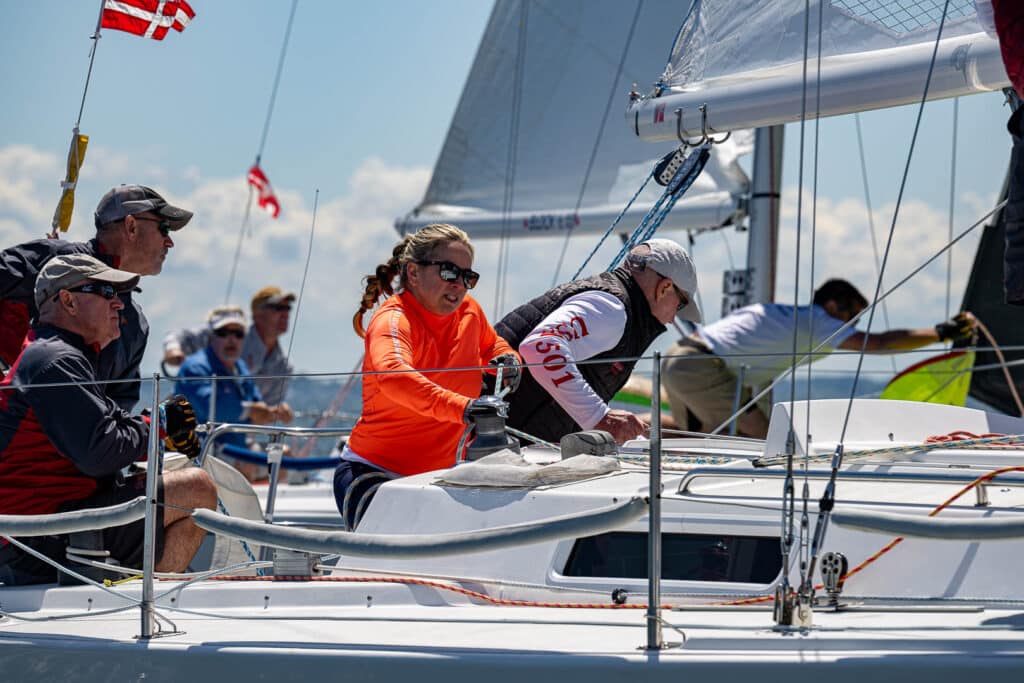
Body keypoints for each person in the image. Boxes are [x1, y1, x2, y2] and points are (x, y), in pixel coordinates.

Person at [0, 255, 216, 586]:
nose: (118, 303)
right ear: (68, 301)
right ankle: (147, 601)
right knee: (197, 488)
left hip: (46, 525)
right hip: (39, 538)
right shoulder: (55, 360)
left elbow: (102, 433)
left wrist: (154, 427)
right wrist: (158, 427)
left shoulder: (57, 353)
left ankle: (150, 589)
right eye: (104, 290)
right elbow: (99, 453)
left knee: (181, 482)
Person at [333, 224, 519, 529]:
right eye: (448, 272)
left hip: (442, 477)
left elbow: (491, 344)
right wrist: (465, 408)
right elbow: (394, 376)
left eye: (467, 277)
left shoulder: (470, 311)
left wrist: (510, 360)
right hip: (374, 473)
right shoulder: (393, 319)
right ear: (414, 273)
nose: (459, 284)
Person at [661, 279, 977, 438]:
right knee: (760, 442)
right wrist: (940, 332)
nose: (852, 326)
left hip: (683, 356)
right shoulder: (818, 320)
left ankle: (627, 429)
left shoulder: (797, 317)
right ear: (833, 306)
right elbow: (878, 344)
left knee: (694, 438)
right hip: (701, 365)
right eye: (852, 317)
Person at [0, 184, 192, 410]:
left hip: (72, 443)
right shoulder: (48, 261)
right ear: (131, 226)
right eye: (164, 228)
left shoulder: (136, 326)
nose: (170, 242)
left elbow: (118, 408)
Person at [495, 238, 702, 445]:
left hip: (494, 436)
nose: (674, 317)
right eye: (681, 304)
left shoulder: (611, 303)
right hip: (486, 440)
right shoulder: (612, 310)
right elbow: (541, 346)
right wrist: (600, 418)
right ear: (664, 288)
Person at [174, 306, 291, 481]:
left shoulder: (241, 368)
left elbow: (256, 402)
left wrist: (273, 411)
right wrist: (251, 411)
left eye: (238, 334)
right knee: (244, 464)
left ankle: (264, 507)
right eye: (223, 333)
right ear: (211, 336)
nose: (232, 339)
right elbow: (213, 408)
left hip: (237, 447)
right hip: (202, 450)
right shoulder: (195, 367)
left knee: (284, 456)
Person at [162, 286, 297, 412]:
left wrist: (275, 412)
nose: (285, 314)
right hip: (192, 421)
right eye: (277, 308)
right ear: (257, 314)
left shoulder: (283, 365)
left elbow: (266, 409)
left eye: (288, 308)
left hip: (237, 430)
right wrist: (173, 350)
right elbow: (179, 336)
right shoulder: (227, 331)